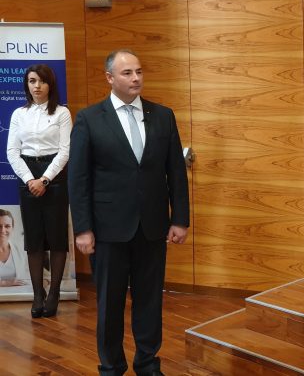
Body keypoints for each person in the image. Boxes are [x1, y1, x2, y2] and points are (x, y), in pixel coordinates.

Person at [68, 49, 189, 376]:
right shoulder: (89, 119)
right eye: (127, 73)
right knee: (110, 303)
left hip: (152, 227)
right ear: (110, 77)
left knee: (150, 301)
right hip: (107, 230)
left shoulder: (163, 116)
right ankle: (111, 367)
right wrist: (82, 228)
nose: (136, 78)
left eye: (139, 71)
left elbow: (176, 172)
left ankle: (148, 364)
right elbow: (78, 179)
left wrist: (179, 219)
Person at [6, 64, 71, 317]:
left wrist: (44, 180)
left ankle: (54, 293)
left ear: (50, 85)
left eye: (42, 81)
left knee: (56, 237)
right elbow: (12, 152)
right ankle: (37, 294)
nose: (37, 86)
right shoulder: (19, 114)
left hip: (54, 175)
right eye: (32, 81)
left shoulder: (62, 113)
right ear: (27, 84)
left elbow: (65, 151)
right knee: (33, 239)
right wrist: (30, 180)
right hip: (27, 175)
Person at [0, 209, 31, 287]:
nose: (3, 230)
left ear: (12, 228)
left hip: (17, 293)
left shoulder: (21, 250)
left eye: (7, 226)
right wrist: (5, 283)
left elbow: (45, 275)